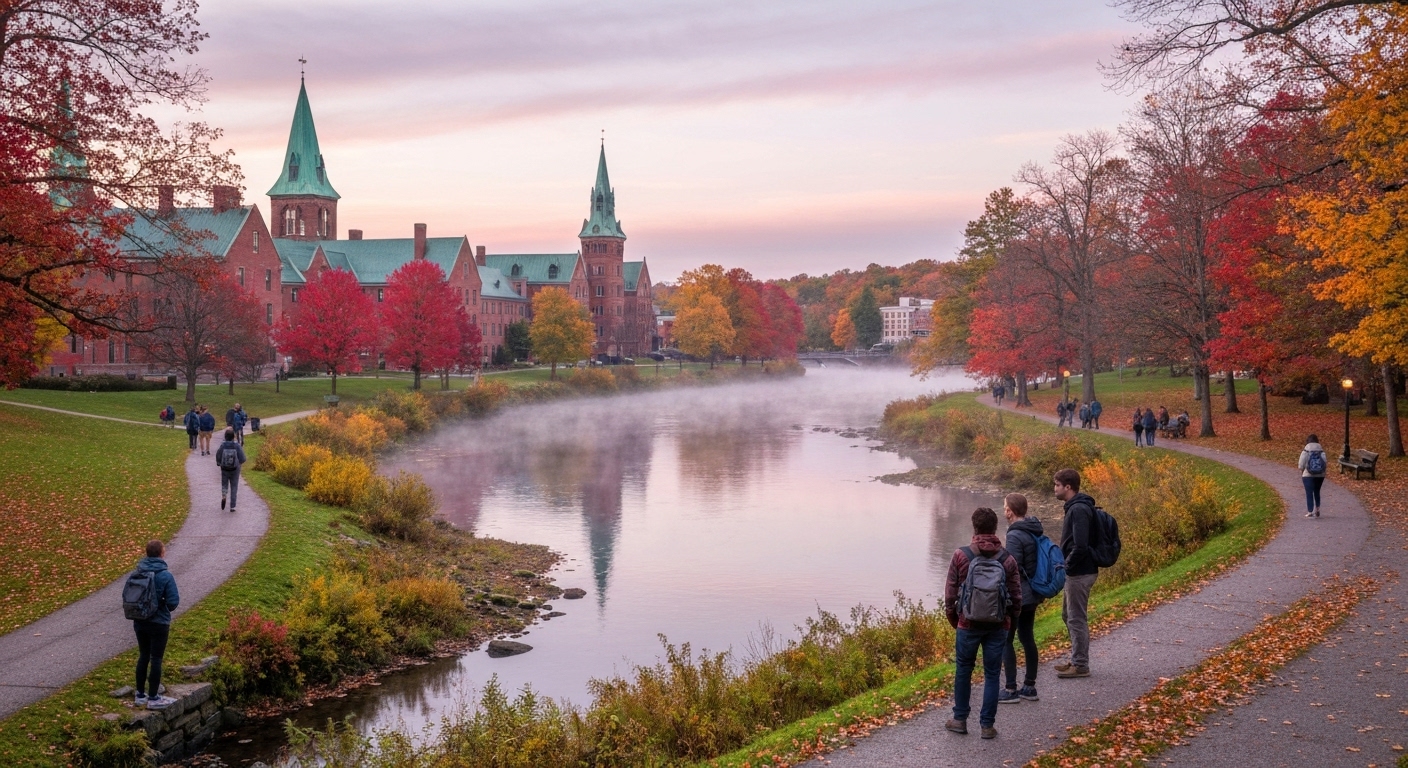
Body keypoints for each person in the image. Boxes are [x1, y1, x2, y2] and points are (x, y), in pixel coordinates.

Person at [944, 507, 1022, 739]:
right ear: (995, 528)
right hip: (998, 626)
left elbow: (950, 595)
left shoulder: (961, 555)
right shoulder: (1007, 559)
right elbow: (1016, 597)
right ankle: (987, 726)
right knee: (991, 675)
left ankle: (960, 720)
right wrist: (1009, 621)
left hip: (967, 625)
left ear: (974, 527)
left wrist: (955, 620)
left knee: (963, 670)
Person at [999, 493, 1043, 704]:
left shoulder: (1015, 535)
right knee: (1027, 638)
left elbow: (1012, 568)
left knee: (1007, 640)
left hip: (1019, 596)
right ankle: (1030, 686)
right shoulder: (1032, 529)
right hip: (1032, 594)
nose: (1004, 510)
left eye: (1005, 507)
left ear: (1010, 511)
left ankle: (1010, 689)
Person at [1054, 469, 1098, 678]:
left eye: (1057, 485)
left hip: (1080, 572)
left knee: (1076, 618)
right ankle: (1076, 658)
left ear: (1068, 486)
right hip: (1077, 572)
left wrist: (1067, 566)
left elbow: (1080, 545)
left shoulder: (1078, 509)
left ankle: (1081, 665)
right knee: (1067, 615)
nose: (1055, 488)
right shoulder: (1074, 507)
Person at [131, 539, 180, 709]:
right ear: (161, 553)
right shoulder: (166, 575)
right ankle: (153, 698)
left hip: (140, 621)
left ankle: (140, 695)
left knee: (143, 655)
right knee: (156, 658)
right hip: (159, 623)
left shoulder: (136, 573)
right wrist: (162, 604)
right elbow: (173, 602)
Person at [215, 428, 247, 511]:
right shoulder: (236, 446)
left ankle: (224, 496)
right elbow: (243, 458)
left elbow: (218, 455)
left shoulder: (223, 445)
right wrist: (239, 464)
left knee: (224, 484)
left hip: (225, 469)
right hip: (235, 469)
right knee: (234, 486)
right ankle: (232, 506)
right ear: (234, 436)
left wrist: (219, 463)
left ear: (225, 437)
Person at [1298, 433, 1328, 518]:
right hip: (1320, 475)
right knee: (1317, 491)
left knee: (1309, 492)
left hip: (1308, 475)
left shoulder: (1306, 451)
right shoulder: (1321, 451)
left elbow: (1300, 465)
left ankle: (1310, 511)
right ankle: (1317, 509)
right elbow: (1325, 463)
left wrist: (1303, 470)